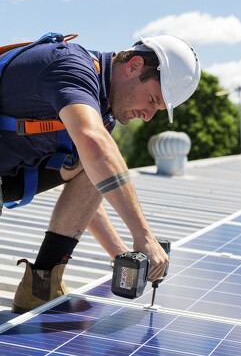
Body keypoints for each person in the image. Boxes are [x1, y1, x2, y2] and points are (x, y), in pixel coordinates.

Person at [0, 33, 201, 313]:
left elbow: (95, 184)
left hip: (7, 175)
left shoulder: (102, 112)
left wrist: (123, 255)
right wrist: (143, 235)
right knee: (99, 154)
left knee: (95, 167)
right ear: (134, 66)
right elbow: (94, 144)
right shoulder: (69, 65)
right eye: (153, 100)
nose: (148, 115)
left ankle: (40, 287)